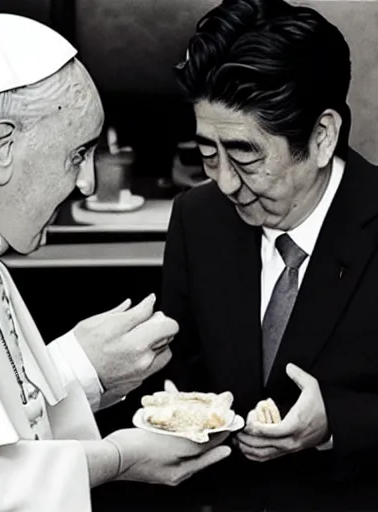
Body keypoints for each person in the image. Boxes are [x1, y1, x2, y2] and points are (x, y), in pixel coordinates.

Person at [0, 8, 232, 512]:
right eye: (77, 154)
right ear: (1, 146)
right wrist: (119, 457)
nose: (86, 183)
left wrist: (78, 372)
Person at [159, 0, 378, 509]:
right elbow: (181, 374)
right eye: (207, 154)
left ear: (321, 137)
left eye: (244, 155)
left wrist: (337, 422)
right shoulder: (198, 218)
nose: (225, 182)